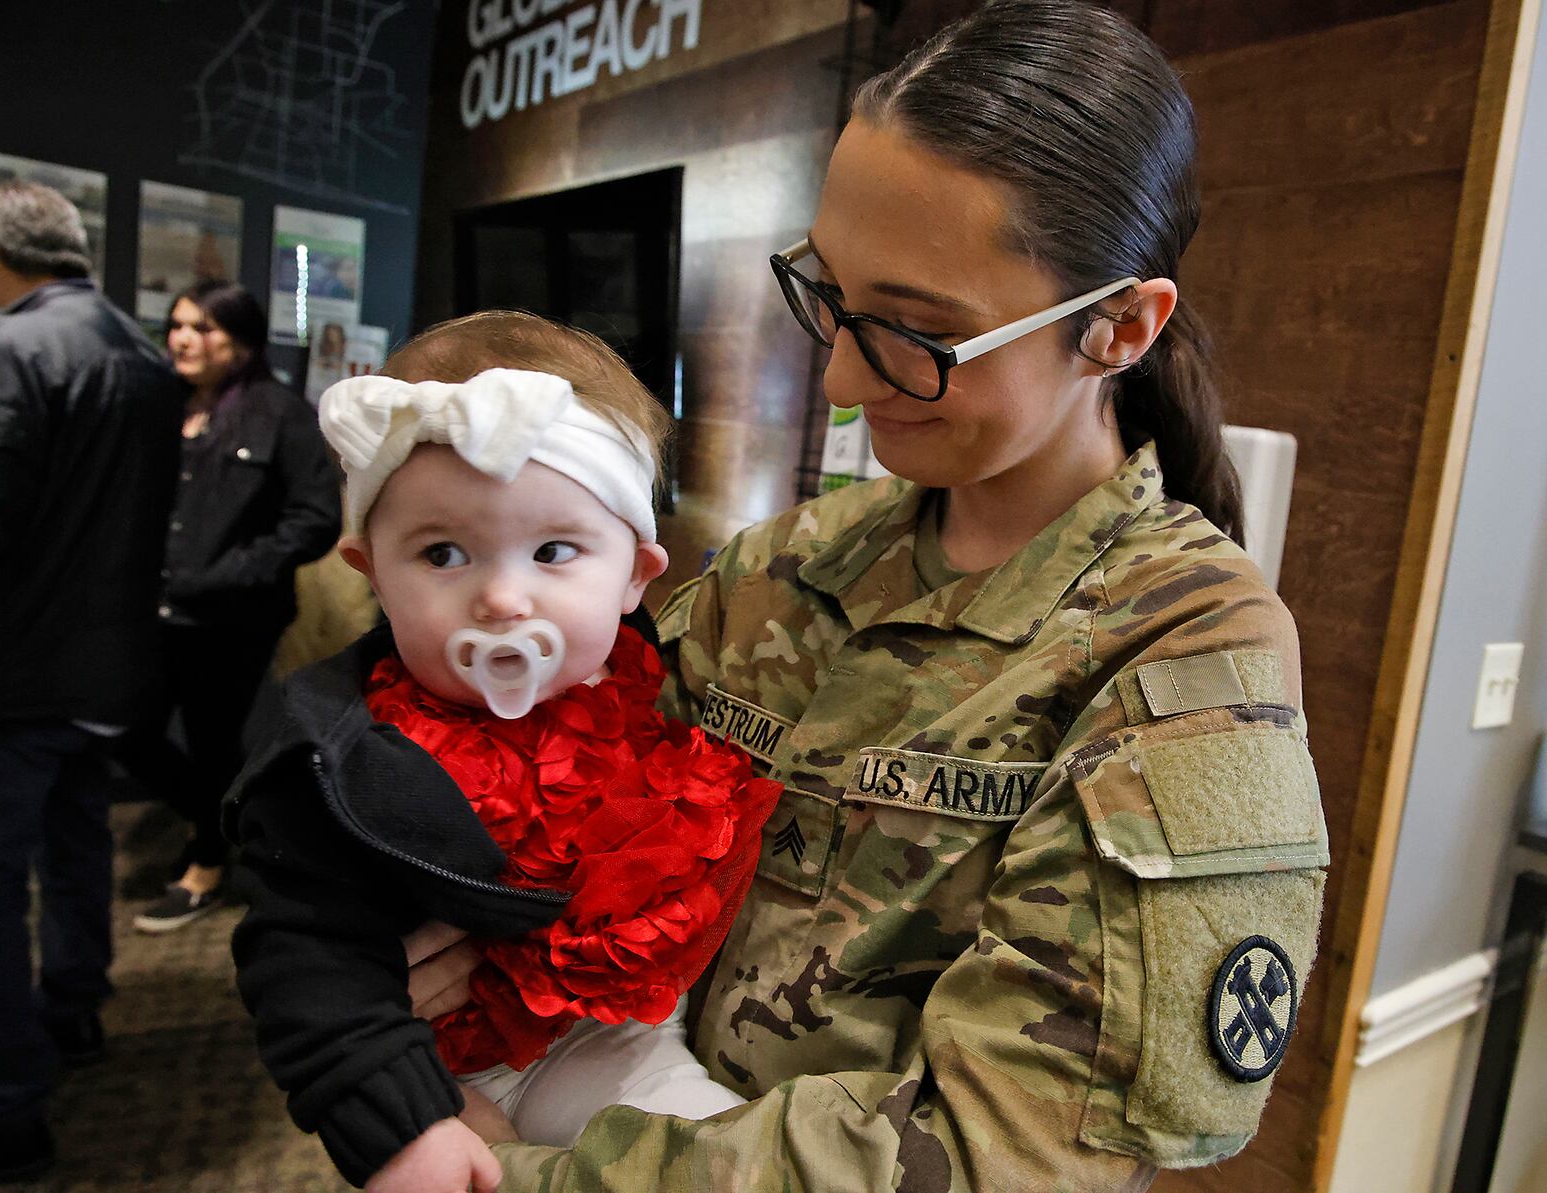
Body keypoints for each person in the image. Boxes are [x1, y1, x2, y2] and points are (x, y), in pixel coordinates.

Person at [406, 3, 1331, 1189]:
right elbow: (570, 812)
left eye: (915, 335)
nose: (841, 377)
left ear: (1116, 329)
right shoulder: (780, 567)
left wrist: (517, 1175)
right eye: (830, 295)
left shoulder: (1182, 651)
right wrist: (440, 931)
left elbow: (1003, 1149)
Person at [225, 311, 782, 1192]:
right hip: (461, 1067)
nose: (502, 597)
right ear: (371, 570)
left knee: (726, 1156)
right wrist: (405, 1120)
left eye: (554, 550)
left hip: (625, 1032)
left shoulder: (651, 687)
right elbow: (302, 954)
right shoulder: (340, 762)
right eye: (443, 553)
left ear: (638, 573)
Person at [0, 181, 180, 1186]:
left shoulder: (6, 348)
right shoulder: (142, 355)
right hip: (108, 665)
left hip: (4, 670)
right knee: (75, 836)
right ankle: (73, 1007)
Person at [127, 281, 340, 933]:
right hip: (152, 606)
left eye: (203, 327)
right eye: (177, 325)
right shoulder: (162, 403)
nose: (183, 338)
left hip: (232, 617)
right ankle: (223, 822)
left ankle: (206, 865)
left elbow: (316, 517)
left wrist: (232, 572)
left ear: (241, 339)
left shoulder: (279, 411)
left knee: (214, 738)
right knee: (129, 729)